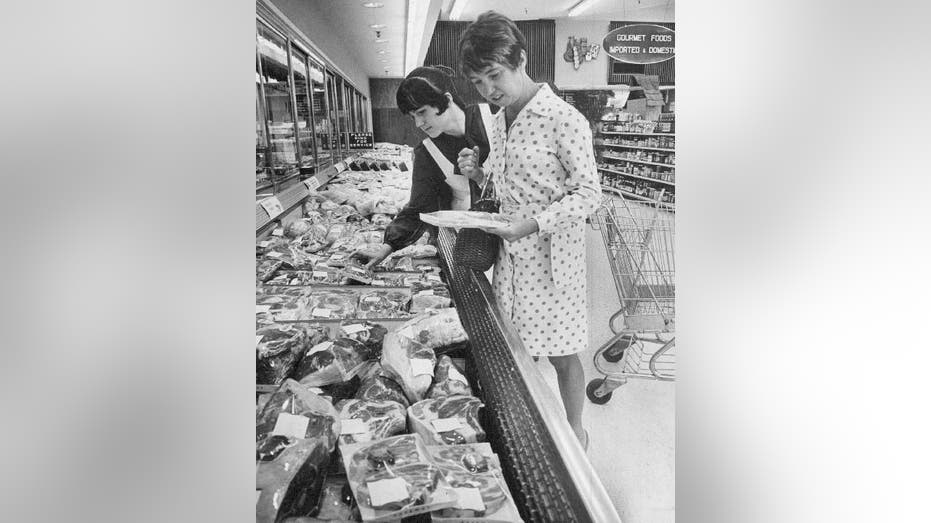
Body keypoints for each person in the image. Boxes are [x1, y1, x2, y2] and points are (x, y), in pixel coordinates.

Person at [457, 11, 600, 450]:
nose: (488, 90)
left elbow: (589, 194)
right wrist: (478, 175)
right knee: (514, 351)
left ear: (520, 59)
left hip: (553, 261)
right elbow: (506, 187)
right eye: (479, 82)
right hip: (510, 259)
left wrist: (536, 223)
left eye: (494, 76)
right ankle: (527, 431)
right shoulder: (499, 120)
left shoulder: (564, 119)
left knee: (561, 353)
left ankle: (576, 434)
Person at [352, 66, 497, 269]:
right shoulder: (427, 153)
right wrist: (387, 247)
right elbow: (419, 207)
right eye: (413, 116)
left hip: (519, 242)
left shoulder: (495, 117)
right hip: (471, 250)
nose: (419, 123)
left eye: (422, 112)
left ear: (446, 100)